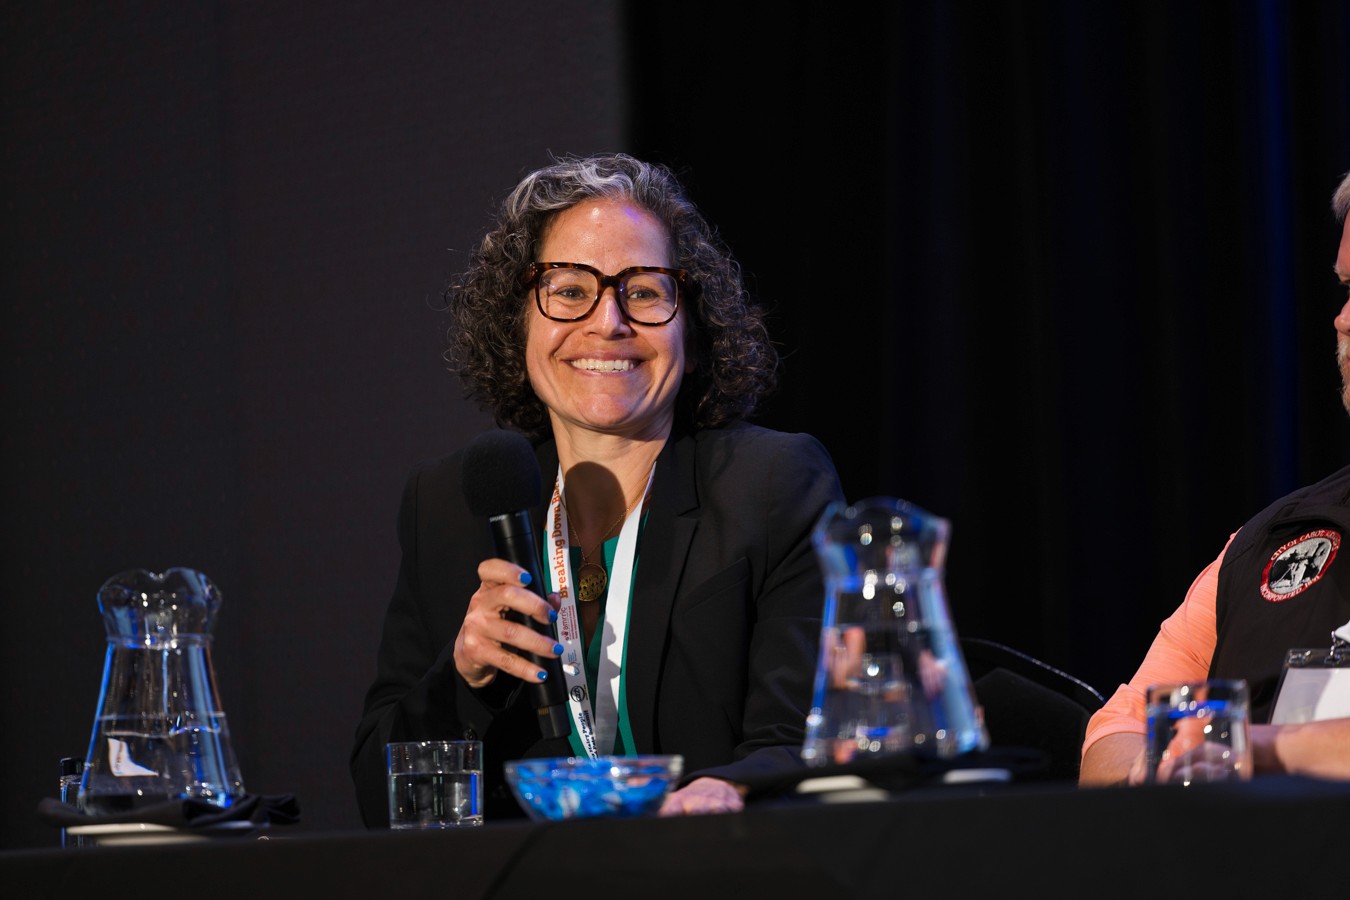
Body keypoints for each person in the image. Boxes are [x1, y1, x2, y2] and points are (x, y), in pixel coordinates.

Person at [350, 153, 845, 823]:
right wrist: (461, 678)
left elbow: (805, 739)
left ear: (691, 333)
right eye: (569, 290)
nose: (608, 321)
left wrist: (729, 789)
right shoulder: (447, 508)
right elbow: (376, 795)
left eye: (643, 290)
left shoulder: (770, 486)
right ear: (517, 325)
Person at [1079, 168, 1350, 786]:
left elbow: (1220, 741)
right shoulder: (1268, 544)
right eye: (1347, 288)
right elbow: (1116, 729)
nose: (1343, 320)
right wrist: (1157, 771)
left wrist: (1254, 746)